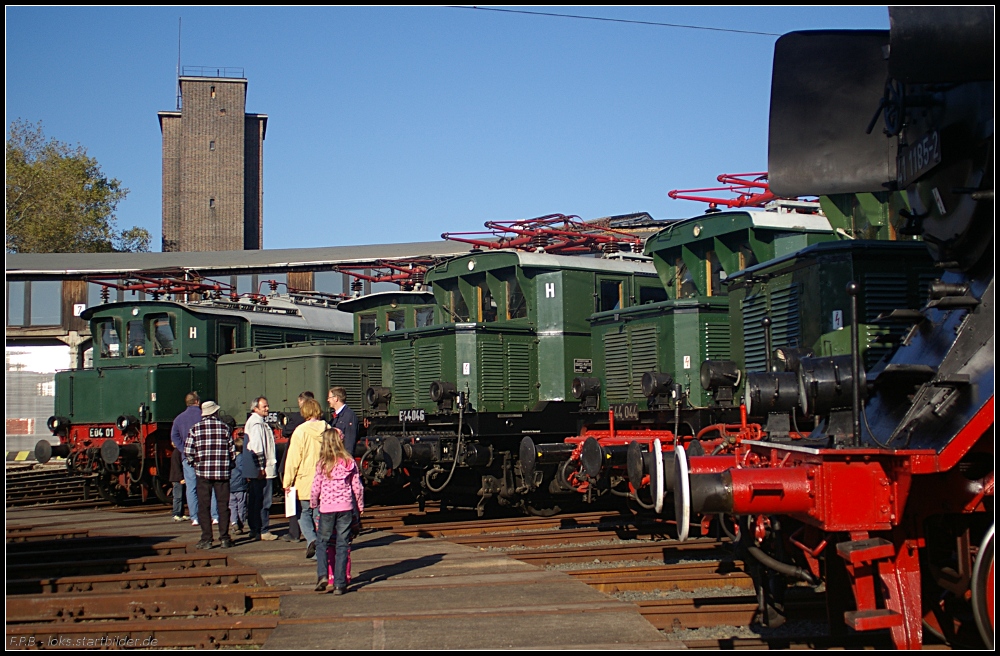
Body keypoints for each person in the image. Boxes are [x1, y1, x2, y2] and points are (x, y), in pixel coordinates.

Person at [310, 427, 364, 594]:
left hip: (326, 509)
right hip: (345, 508)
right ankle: (340, 584)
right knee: (342, 544)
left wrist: (313, 503)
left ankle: (323, 575)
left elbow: (315, 487)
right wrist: (360, 506)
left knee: (322, 542)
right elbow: (357, 487)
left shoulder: (322, 464)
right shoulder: (349, 462)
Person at [183, 401, 236, 549]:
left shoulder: (195, 429)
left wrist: (195, 463)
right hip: (222, 474)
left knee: (204, 506)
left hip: (203, 473)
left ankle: (207, 538)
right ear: (215, 413)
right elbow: (232, 452)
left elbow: (188, 452)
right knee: (223, 506)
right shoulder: (224, 428)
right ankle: (224, 538)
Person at [282, 398, 328, 560]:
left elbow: (293, 459)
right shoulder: (328, 429)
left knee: (303, 514)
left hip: (305, 481)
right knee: (320, 515)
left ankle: (312, 540)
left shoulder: (300, 432)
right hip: (325, 480)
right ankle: (321, 546)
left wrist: (287, 482)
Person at [171, 391, 217, 526]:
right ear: (197, 402)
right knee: (212, 485)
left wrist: (183, 449)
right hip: (206, 456)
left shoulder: (179, 419)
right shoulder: (204, 416)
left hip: (187, 457)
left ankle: (195, 517)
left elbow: (174, 436)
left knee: (191, 488)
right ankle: (214, 515)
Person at [279, 392, 314, 543]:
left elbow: (285, 431)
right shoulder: (323, 424)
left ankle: (295, 533)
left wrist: (286, 482)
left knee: (297, 504)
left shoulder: (297, 422)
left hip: (299, 469)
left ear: (301, 401)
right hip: (316, 471)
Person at [244, 396, 278, 541]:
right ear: (255, 408)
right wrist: (261, 467)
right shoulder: (257, 424)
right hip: (264, 469)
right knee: (264, 500)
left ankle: (254, 528)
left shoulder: (256, 422)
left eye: (267, 406)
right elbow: (257, 447)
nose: (267, 409)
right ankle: (263, 529)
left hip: (259, 468)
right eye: (264, 406)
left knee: (255, 499)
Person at [328, 387, 358, 460]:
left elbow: (349, 441)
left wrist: (347, 460)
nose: (328, 400)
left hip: (343, 459)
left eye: (329, 397)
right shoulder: (335, 416)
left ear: (336, 398)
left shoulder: (349, 416)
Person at [229, 435, 248, 535]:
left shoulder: (229, 457)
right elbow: (243, 470)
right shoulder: (242, 458)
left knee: (232, 506)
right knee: (241, 505)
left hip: (230, 486)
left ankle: (233, 522)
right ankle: (240, 523)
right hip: (240, 485)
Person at [169, 446, 187, 521]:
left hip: (178, 478)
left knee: (181, 496)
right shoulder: (177, 453)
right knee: (178, 497)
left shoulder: (177, 452)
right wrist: (180, 478)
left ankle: (181, 513)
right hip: (177, 479)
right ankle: (176, 514)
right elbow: (176, 467)